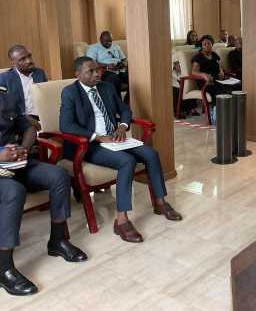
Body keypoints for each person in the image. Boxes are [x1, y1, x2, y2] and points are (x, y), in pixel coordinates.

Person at [59, 57, 182, 243]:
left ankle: (160, 202)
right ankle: (121, 220)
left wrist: (123, 126)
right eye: (90, 71)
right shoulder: (70, 92)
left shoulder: (106, 87)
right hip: (89, 144)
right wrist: (97, 137)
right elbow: (66, 125)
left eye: (97, 70)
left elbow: (125, 110)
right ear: (77, 74)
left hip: (115, 138)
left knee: (151, 154)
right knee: (127, 161)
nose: (97, 74)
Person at [0, 89, 87, 296]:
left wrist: (23, 148)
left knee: (59, 176)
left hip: (17, 164)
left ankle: (58, 240)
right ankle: (4, 268)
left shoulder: (5, 96)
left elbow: (28, 127)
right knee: (14, 191)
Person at [0, 45, 48, 131]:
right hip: (19, 119)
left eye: (29, 56)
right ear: (13, 63)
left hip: (42, 117)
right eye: (22, 59)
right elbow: (5, 108)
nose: (29, 61)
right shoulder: (4, 78)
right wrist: (26, 118)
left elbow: (46, 98)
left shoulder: (40, 73)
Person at [191, 35, 241, 107]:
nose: (207, 45)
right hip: (207, 83)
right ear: (202, 46)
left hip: (218, 80)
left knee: (237, 85)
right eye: (204, 44)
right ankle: (218, 111)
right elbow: (194, 72)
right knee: (223, 90)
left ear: (212, 45)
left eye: (209, 43)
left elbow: (218, 65)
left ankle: (234, 108)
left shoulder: (214, 54)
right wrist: (204, 75)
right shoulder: (198, 57)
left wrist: (221, 71)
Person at [86, 31, 128, 100]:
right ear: (101, 40)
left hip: (119, 69)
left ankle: (127, 101)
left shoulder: (116, 46)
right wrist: (107, 66)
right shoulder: (93, 48)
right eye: (106, 41)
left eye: (110, 41)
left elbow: (124, 59)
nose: (109, 43)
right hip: (105, 71)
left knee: (134, 78)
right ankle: (118, 102)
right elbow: (91, 63)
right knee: (114, 79)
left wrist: (123, 64)